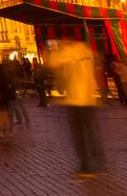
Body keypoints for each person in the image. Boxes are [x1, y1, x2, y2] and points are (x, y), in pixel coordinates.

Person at [50, 40, 103, 175]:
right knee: (91, 133)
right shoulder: (86, 51)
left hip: (75, 99)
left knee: (78, 135)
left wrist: (53, 48)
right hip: (88, 98)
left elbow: (53, 61)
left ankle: (86, 166)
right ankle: (99, 164)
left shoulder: (70, 52)